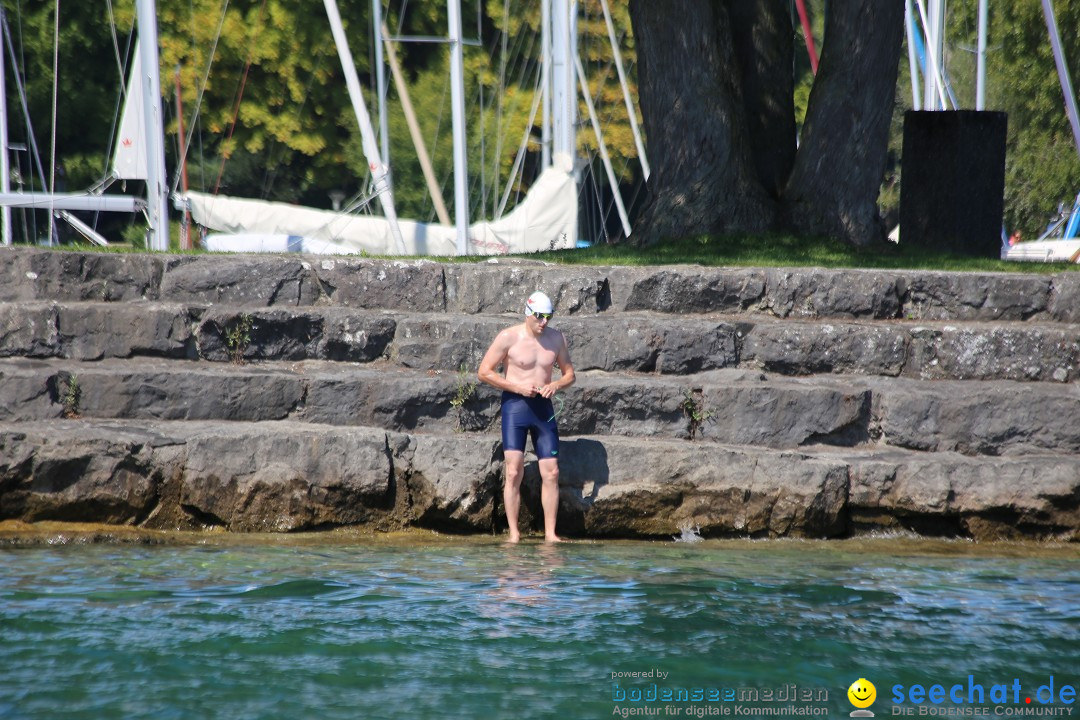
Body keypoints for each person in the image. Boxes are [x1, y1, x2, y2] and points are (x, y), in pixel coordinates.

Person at [478, 291, 575, 543]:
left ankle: (551, 534)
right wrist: (517, 388)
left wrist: (555, 385)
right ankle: (514, 534)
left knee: (551, 472)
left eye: (549, 317)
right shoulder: (508, 337)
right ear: (528, 314)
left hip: (543, 408)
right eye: (540, 317)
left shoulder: (556, 338)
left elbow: (569, 375)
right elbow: (484, 372)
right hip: (515, 407)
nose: (544, 322)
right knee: (513, 471)